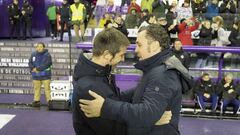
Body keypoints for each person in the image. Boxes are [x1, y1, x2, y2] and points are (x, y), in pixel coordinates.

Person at [79, 24, 193, 135]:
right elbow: (142, 94)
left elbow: (146, 113)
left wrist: (106, 107)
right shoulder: (155, 70)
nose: (136, 50)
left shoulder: (163, 74)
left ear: (154, 46)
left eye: (139, 45)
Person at [28, 42, 52, 107]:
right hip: (35, 75)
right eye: (38, 46)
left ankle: (49, 101)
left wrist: (38, 69)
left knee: (47, 89)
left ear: (44, 47)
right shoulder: (33, 54)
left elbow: (47, 64)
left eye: (41, 46)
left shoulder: (47, 55)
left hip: (45, 76)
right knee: (36, 88)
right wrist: (32, 68)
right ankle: (36, 101)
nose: (39, 48)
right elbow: (30, 62)